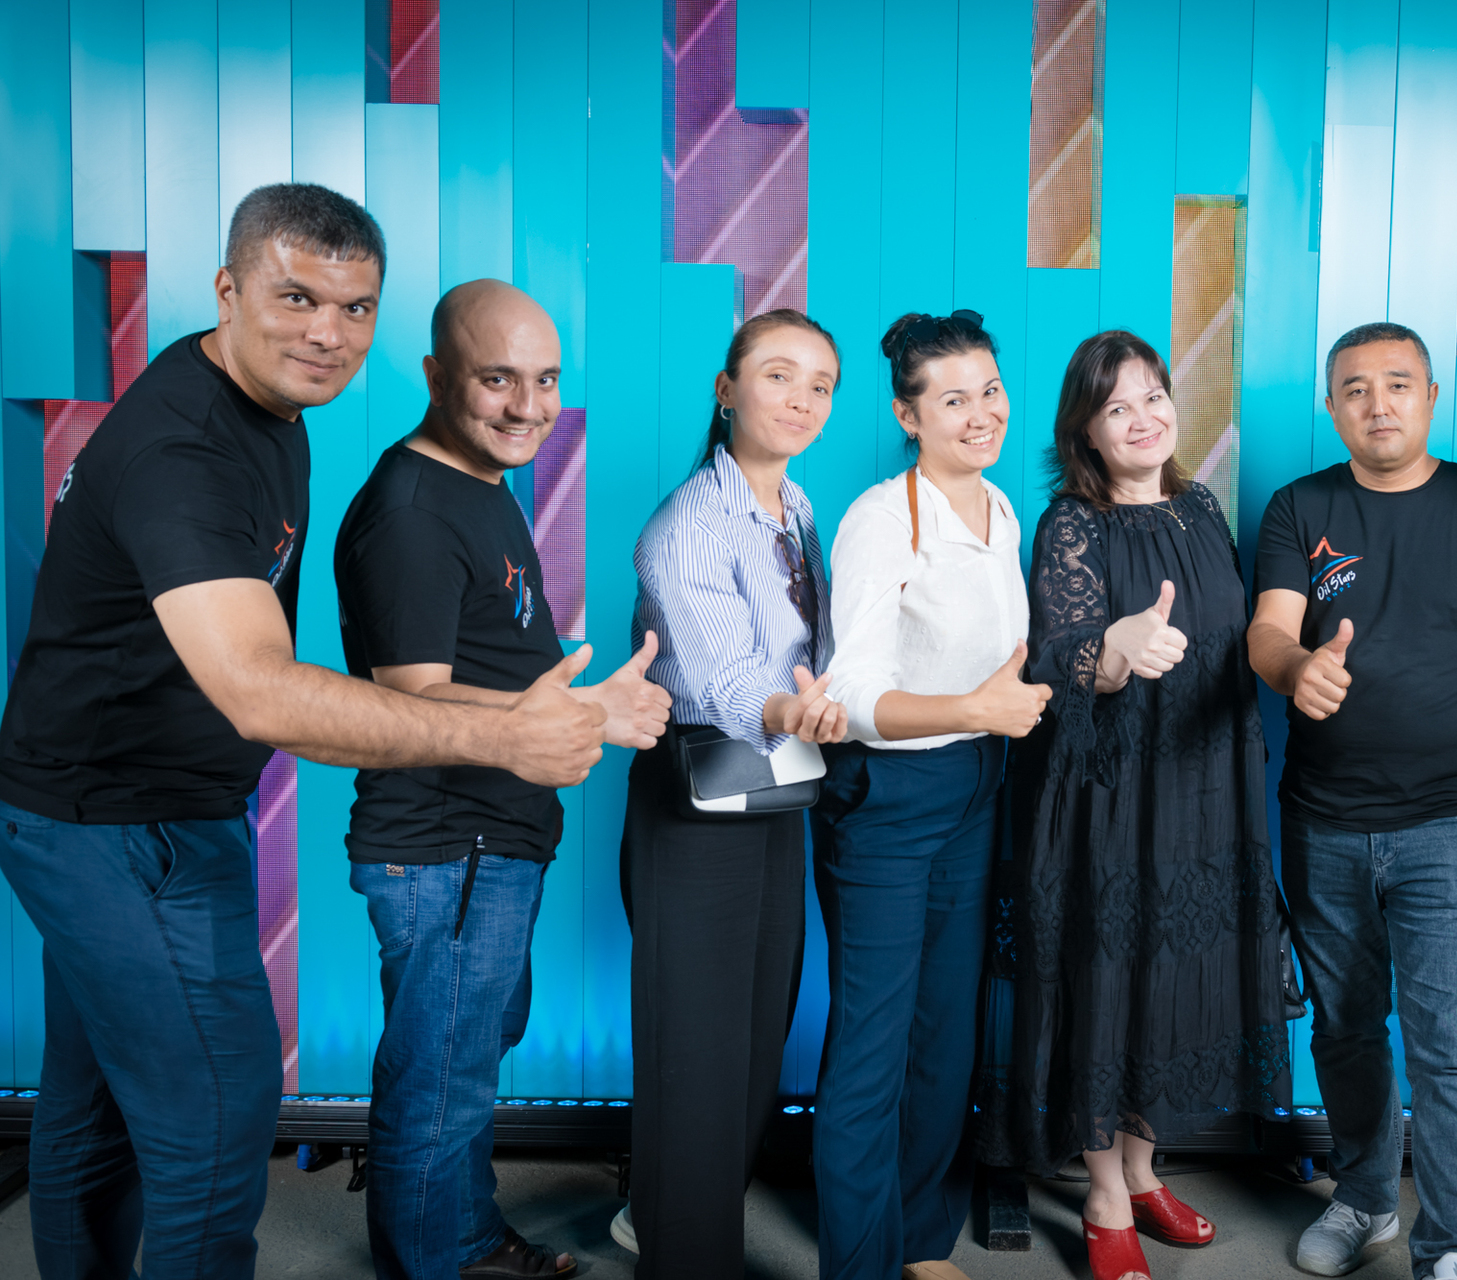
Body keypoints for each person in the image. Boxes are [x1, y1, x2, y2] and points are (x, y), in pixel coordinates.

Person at [0, 184, 605, 1278]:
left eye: (354, 307)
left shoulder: (267, 413)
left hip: (160, 807)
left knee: (98, 1105)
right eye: (295, 298)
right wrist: (507, 736)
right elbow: (261, 693)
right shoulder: (186, 453)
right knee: (215, 1113)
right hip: (114, 825)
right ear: (227, 291)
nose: (327, 332)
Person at [333, 280, 673, 1280]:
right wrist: (587, 715)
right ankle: (435, 1260)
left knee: (465, 1059)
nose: (528, 406)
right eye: (497, 379)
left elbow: (488, 661)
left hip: (490, 841)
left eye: (546, 379)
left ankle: (460, 1236)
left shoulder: (480, 483)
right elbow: (413, 696)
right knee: (441, 1076)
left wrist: (588, 697)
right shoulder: (410, 511)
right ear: (436, 376)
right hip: (446, 844)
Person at [1247, 321, 1457, 1280]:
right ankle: (1364, 1199)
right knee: (1346, 1031)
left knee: (1450, 1052)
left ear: (1430, 397)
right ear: (1331, 406)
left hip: (1454, 828)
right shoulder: (1299, 506)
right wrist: (1297, 667)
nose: (1377, 403)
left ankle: (1456, 1245)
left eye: (1398, 384)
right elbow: (1268, 633)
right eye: (1355, 388)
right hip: (1324, 823)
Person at [979, 329, 1296, 1280]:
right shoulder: (1070, 525)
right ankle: (1106, 1195)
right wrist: (1115, 653)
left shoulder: (1201, 508)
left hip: (1205, 789)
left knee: (1173, 981)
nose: (1144, 418)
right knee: (1107, 983)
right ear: (1086, 430)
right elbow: (1062, 656)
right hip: (1107, 794)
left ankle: (1147, 1171)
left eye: (1153, 395)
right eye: (1116, 407)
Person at [809, 310, 1051, 1280]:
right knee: (873, 1044)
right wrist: (972, 707)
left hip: (977, 787)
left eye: (989, 390)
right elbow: (851, 697)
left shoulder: (1001, 511)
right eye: (953, 399)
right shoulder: (882, 519)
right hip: (891, 798)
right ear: (909, 416)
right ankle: (858, 1262)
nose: (981, 413)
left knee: (946, 1033)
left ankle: (919, 1238)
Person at [615, 308, 849, 1280]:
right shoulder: (687, 524)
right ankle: (685, 1254)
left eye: (820, 385)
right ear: (727, 390)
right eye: (779, 375)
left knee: (757, 1032)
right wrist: (806, 710)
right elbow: (722, 682)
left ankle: (660, 1210)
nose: (801, 399)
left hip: (779, 792)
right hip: (697, 796)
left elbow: (812, 650)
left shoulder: (795, 509)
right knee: (697, 1049)